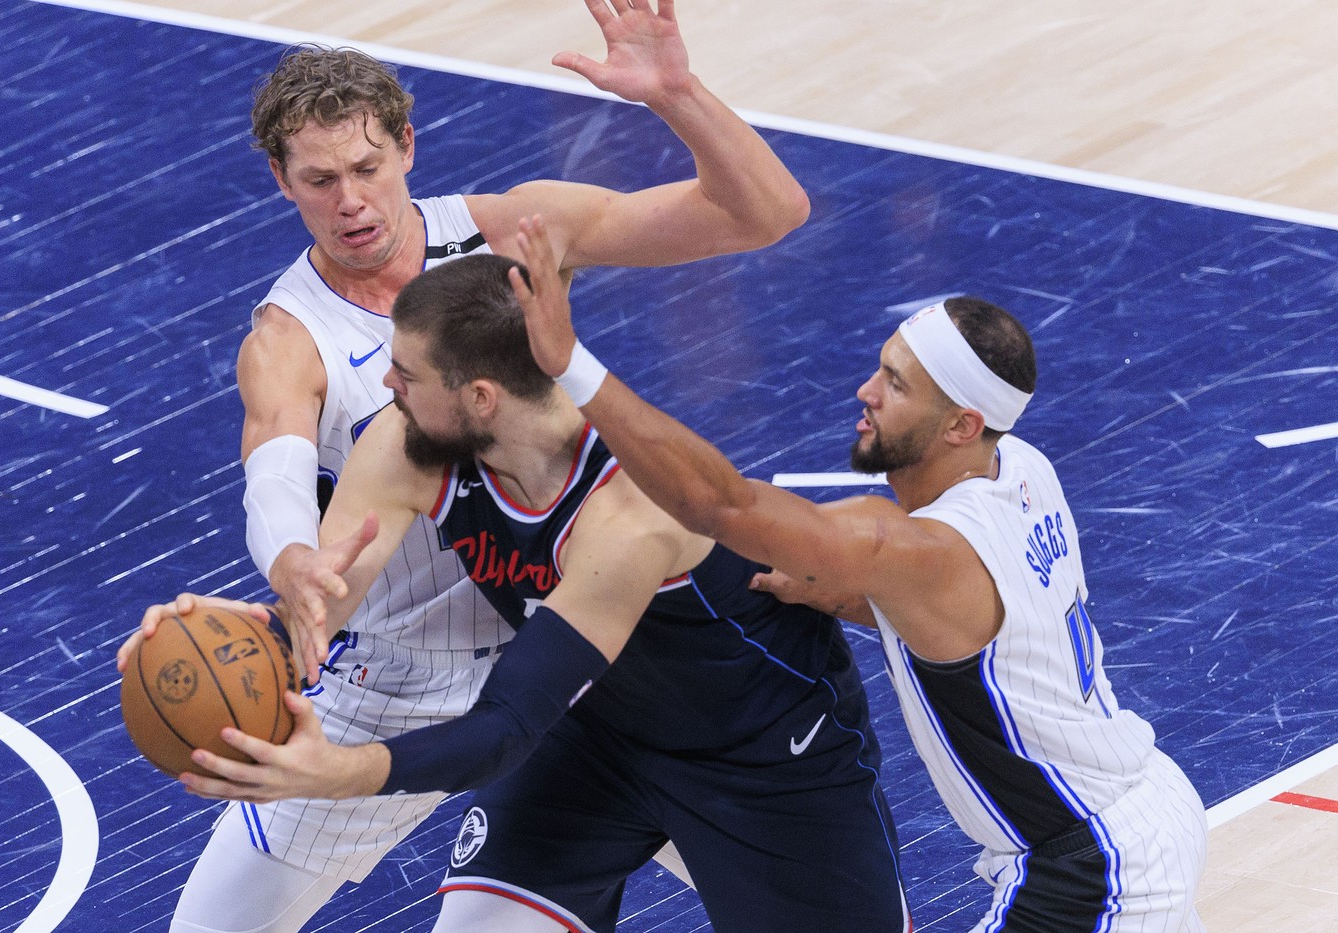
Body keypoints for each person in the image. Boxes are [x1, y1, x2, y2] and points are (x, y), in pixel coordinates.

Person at [133, 0, 809, 929]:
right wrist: (291, 559)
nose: (352, 200)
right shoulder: (290, 336)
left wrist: (678, 95)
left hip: (588, 640)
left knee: (816, 898)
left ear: (409, 144)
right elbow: (276, 470)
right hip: (403, 676)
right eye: (320, 179)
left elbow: (764, 214)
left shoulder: (511, 234)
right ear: (282, 182)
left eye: (368, 167)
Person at [148, 250, 911, 932]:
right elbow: (320, 608)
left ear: (481, 397)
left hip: (762, 759)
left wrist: (337, 772)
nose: (385, 385)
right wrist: (231, 634)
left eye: (405, 373)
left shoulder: (627, 510)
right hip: (595, 738)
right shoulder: (408, 440)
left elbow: (504, 724)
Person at [510, 215, 1209, 931]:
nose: (865, 390)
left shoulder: (916, 549)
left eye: (896, 384)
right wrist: (853, 598)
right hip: (1143, 801)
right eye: (882, 366)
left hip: (1089, 863)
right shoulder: (1021, 467)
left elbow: (717, 502)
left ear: (961, 425)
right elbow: (982, 631)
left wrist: (568, 362)